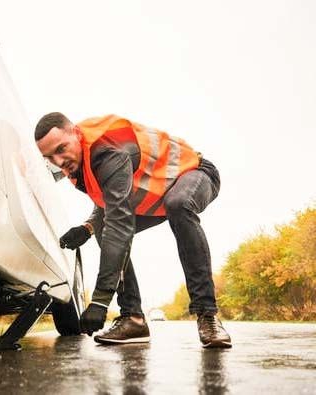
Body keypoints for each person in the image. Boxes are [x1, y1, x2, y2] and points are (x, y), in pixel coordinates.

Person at [34, 112, 231, 348]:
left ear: (76, 133)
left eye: (61, 148)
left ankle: (207, 315)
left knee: (178, 205)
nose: (59, 161)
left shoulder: (107, 150)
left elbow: (120, 224)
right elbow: (109, 205)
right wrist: (88, 228)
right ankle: (133, 319)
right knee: (105, 226)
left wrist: (100, 301)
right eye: (50, 157)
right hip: (156, 199)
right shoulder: (77, 166)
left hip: (195, 173)